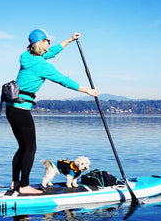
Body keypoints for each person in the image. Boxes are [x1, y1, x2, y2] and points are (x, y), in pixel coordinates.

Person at [6, 29, 98, 195]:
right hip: (21, 110)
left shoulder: (28, 57)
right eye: (47, 40)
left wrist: (70, 40)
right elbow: (64, 81)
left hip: (11, 109)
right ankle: (25, 186)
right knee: (30, 148)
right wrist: (88, 91)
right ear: (40, 43)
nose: (49, 43)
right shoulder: (42, 65)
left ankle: (16, 182)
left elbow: (53, 51)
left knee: (22, 147)